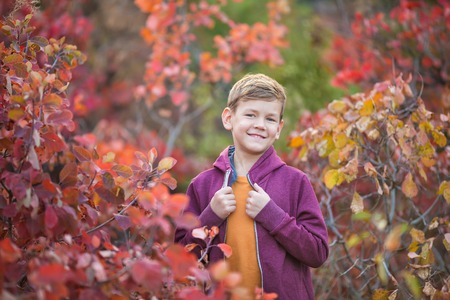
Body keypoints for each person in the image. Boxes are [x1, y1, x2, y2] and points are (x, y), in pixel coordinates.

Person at [175, 73, 329, 299]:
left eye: (270, 119)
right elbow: (181, 257)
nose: (259, 125)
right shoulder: (203, 185)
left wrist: (273, 216)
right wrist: (210, 216)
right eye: (250, 115)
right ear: (228, 118)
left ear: (279, 128)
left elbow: (317, 253)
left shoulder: (295, 182)